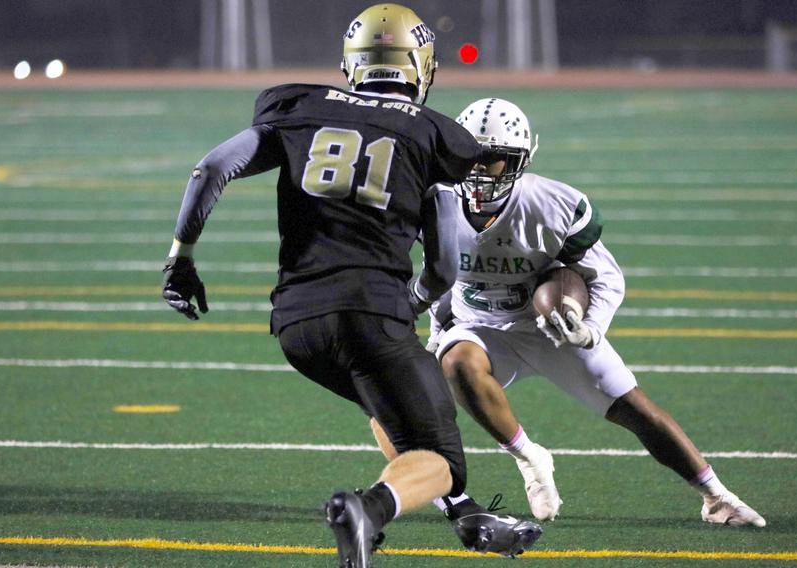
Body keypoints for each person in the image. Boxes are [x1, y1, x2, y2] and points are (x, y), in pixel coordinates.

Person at [161, 6, 540, 566]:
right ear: (421, 66)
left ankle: (468, 514)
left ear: (353, 62)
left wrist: (181, 259)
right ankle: (369, 509)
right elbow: (444, 268)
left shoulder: (302, 107)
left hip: (295, 324)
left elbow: (210, 170)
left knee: (391, 405)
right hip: (370, 312)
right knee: (439, 453)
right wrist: (410, 305)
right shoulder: (435, 134)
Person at [424, 97, 766, 528]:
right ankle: (530, 458)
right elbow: (441, 273)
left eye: (492, 160)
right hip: (481, 325)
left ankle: (716, 496)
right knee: (455, 362)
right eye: (470, 157)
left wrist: (589, 329)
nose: (478, 169)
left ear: (520, 161)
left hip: (548, 326)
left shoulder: (551, 206)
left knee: (635, 409)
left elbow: (605, 277)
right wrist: (439, 328)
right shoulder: (437, 200)